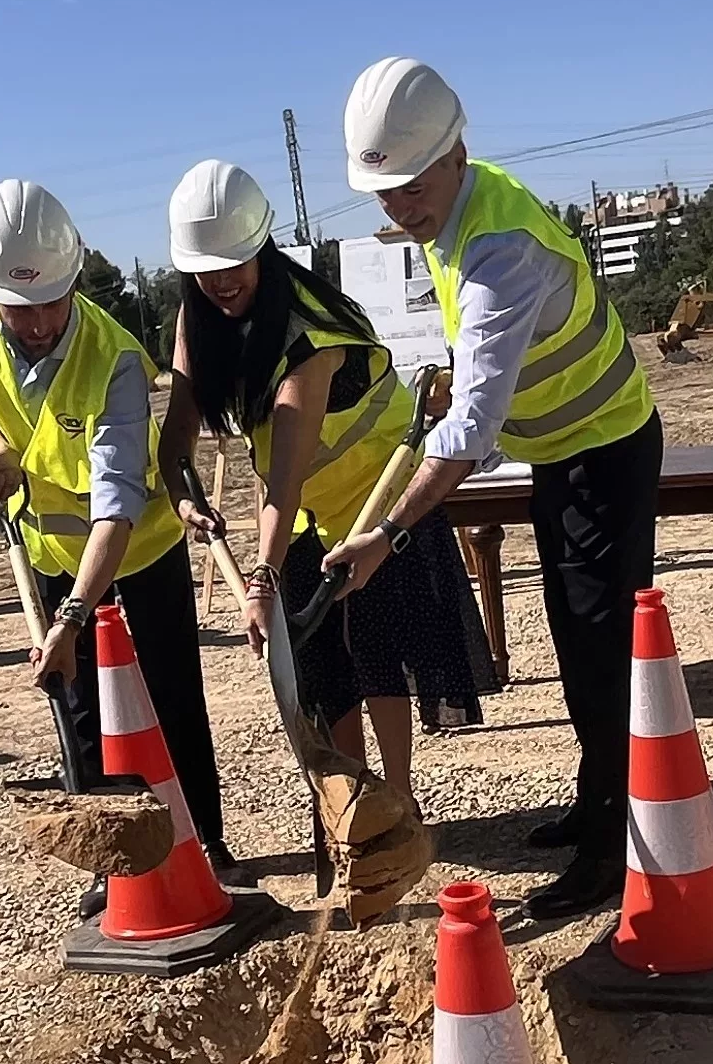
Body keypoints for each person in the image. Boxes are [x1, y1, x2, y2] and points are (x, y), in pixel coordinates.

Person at [327, 59, 662, 919]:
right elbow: (481, 365)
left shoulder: (497, 247)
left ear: (455, 152)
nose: (397, 205)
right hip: (562, 452)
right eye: (382, 192)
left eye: (408, 185)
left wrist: (386, 533)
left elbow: (471, 435)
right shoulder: (460, 206)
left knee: (598, 651)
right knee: (575, 636)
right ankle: (597, 800)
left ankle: (615, 848)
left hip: (605, 447)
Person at [158, 159, 483, 809]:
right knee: (324, 671)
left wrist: (259, 580)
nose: (220, 280)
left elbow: (282, 476)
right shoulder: (198, 325)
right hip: (307, 516)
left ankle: (398, 797)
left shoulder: (307, 338)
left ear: (261, 248)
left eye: (234, 262)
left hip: (379, 501)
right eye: (205, 268)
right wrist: (183, 494)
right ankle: (352, 805)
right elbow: (176, 438)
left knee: (379, 652)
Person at [0, 180, 237, 885]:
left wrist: (74, 615)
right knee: (75, 707)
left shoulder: (116, 363)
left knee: (169, 698)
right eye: (18, 308)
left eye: (52, 300)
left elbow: (116, 506)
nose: (38, 322)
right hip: (46, 547)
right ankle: (110, 861)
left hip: (137, 552)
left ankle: (201, 842)